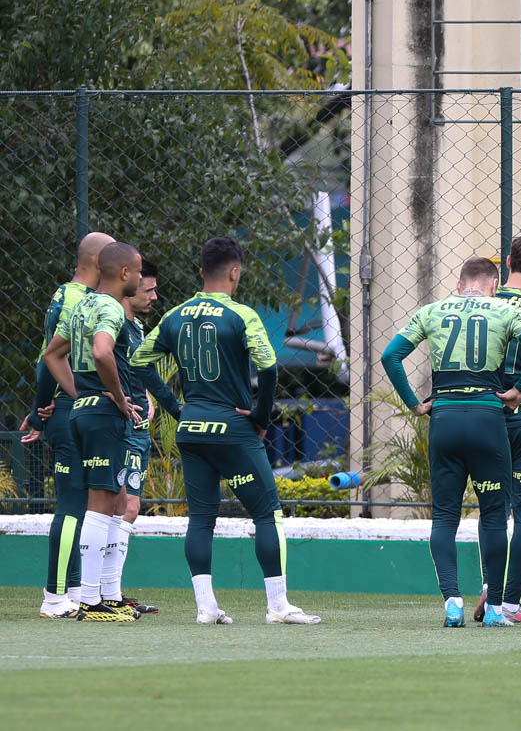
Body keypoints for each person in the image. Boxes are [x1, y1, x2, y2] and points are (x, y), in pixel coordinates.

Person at [131, 236, 320, 626]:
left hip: (192, 427)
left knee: (201, 519)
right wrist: (261, 417)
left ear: (201, 272)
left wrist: (175, 406)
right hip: (232, 428)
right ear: (235, 272)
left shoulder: (174, 316)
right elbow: (268, 366)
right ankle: (278, 606)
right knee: (267, 514)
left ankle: (206, 608)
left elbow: (139, 359)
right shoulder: (242, 315)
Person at [382, 256, 521, 628]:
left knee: (445, 515)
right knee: (495, 515)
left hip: (445, 418)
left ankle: (452, 601)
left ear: (458, 284)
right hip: (487, 418)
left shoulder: (432, 311)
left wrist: (416, 404)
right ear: (494, 285)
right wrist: (518, 390)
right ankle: (496, 609)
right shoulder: (506, 310)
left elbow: (391, 356)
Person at [40, 241, 144, 622]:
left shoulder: (82, 303)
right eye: (137, 271)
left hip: (82, 411)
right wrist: (117, 397)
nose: (139, 278)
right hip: (103, 416)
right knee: (100, 507)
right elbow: (102, 352)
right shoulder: (110, 307)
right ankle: (90, 601)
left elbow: (52, 354)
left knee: (115, 501)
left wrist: (79, 394)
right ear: (124, 274)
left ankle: (107, 595)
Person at [25, 230, 114, 619]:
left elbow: (46, 356)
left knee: (78, 505)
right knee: (73, 506)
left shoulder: (63, 293)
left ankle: (73, 591)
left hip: (61, 408)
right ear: (98, 264)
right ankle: (54, 596)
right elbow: (51, 356)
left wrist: (39, 407)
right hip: (73, 413)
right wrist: (61, 401)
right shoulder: (84, 301)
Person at [471, 235, 521, 624]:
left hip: (486, 413)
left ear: (505, 262)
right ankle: (511, 603)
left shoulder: (485, 304)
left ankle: (490, 588)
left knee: (492, 511)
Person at [114, 258, 182, 615]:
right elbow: (96, 366)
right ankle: (99, 592)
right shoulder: (112, 325)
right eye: (149, 289)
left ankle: (110, 590)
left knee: (128, 507)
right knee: (121, 506)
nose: (155, 296)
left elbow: (136, 371)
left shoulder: (138, 328)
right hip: (119, 428)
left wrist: (150, 398)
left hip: (139, 428)